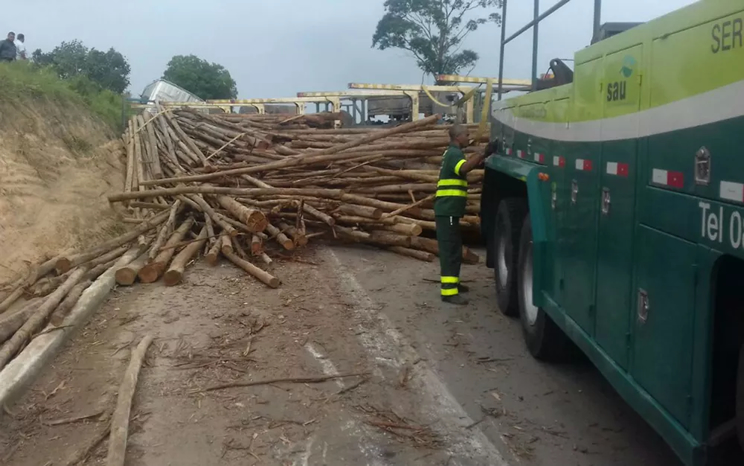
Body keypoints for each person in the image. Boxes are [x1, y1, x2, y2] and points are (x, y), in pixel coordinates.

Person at [435, 124, 496, 305]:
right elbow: (463, 169)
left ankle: (454, 283)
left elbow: (464, 166)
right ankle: (448, 292)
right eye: (467, 135)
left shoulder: (453, 153)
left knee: (454, 247)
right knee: (450, 250)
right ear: (457, 137)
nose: (469, 138)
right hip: (447, 211)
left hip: (449, 211)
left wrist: (482, 160)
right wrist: (484, 153)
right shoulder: (454, 154)